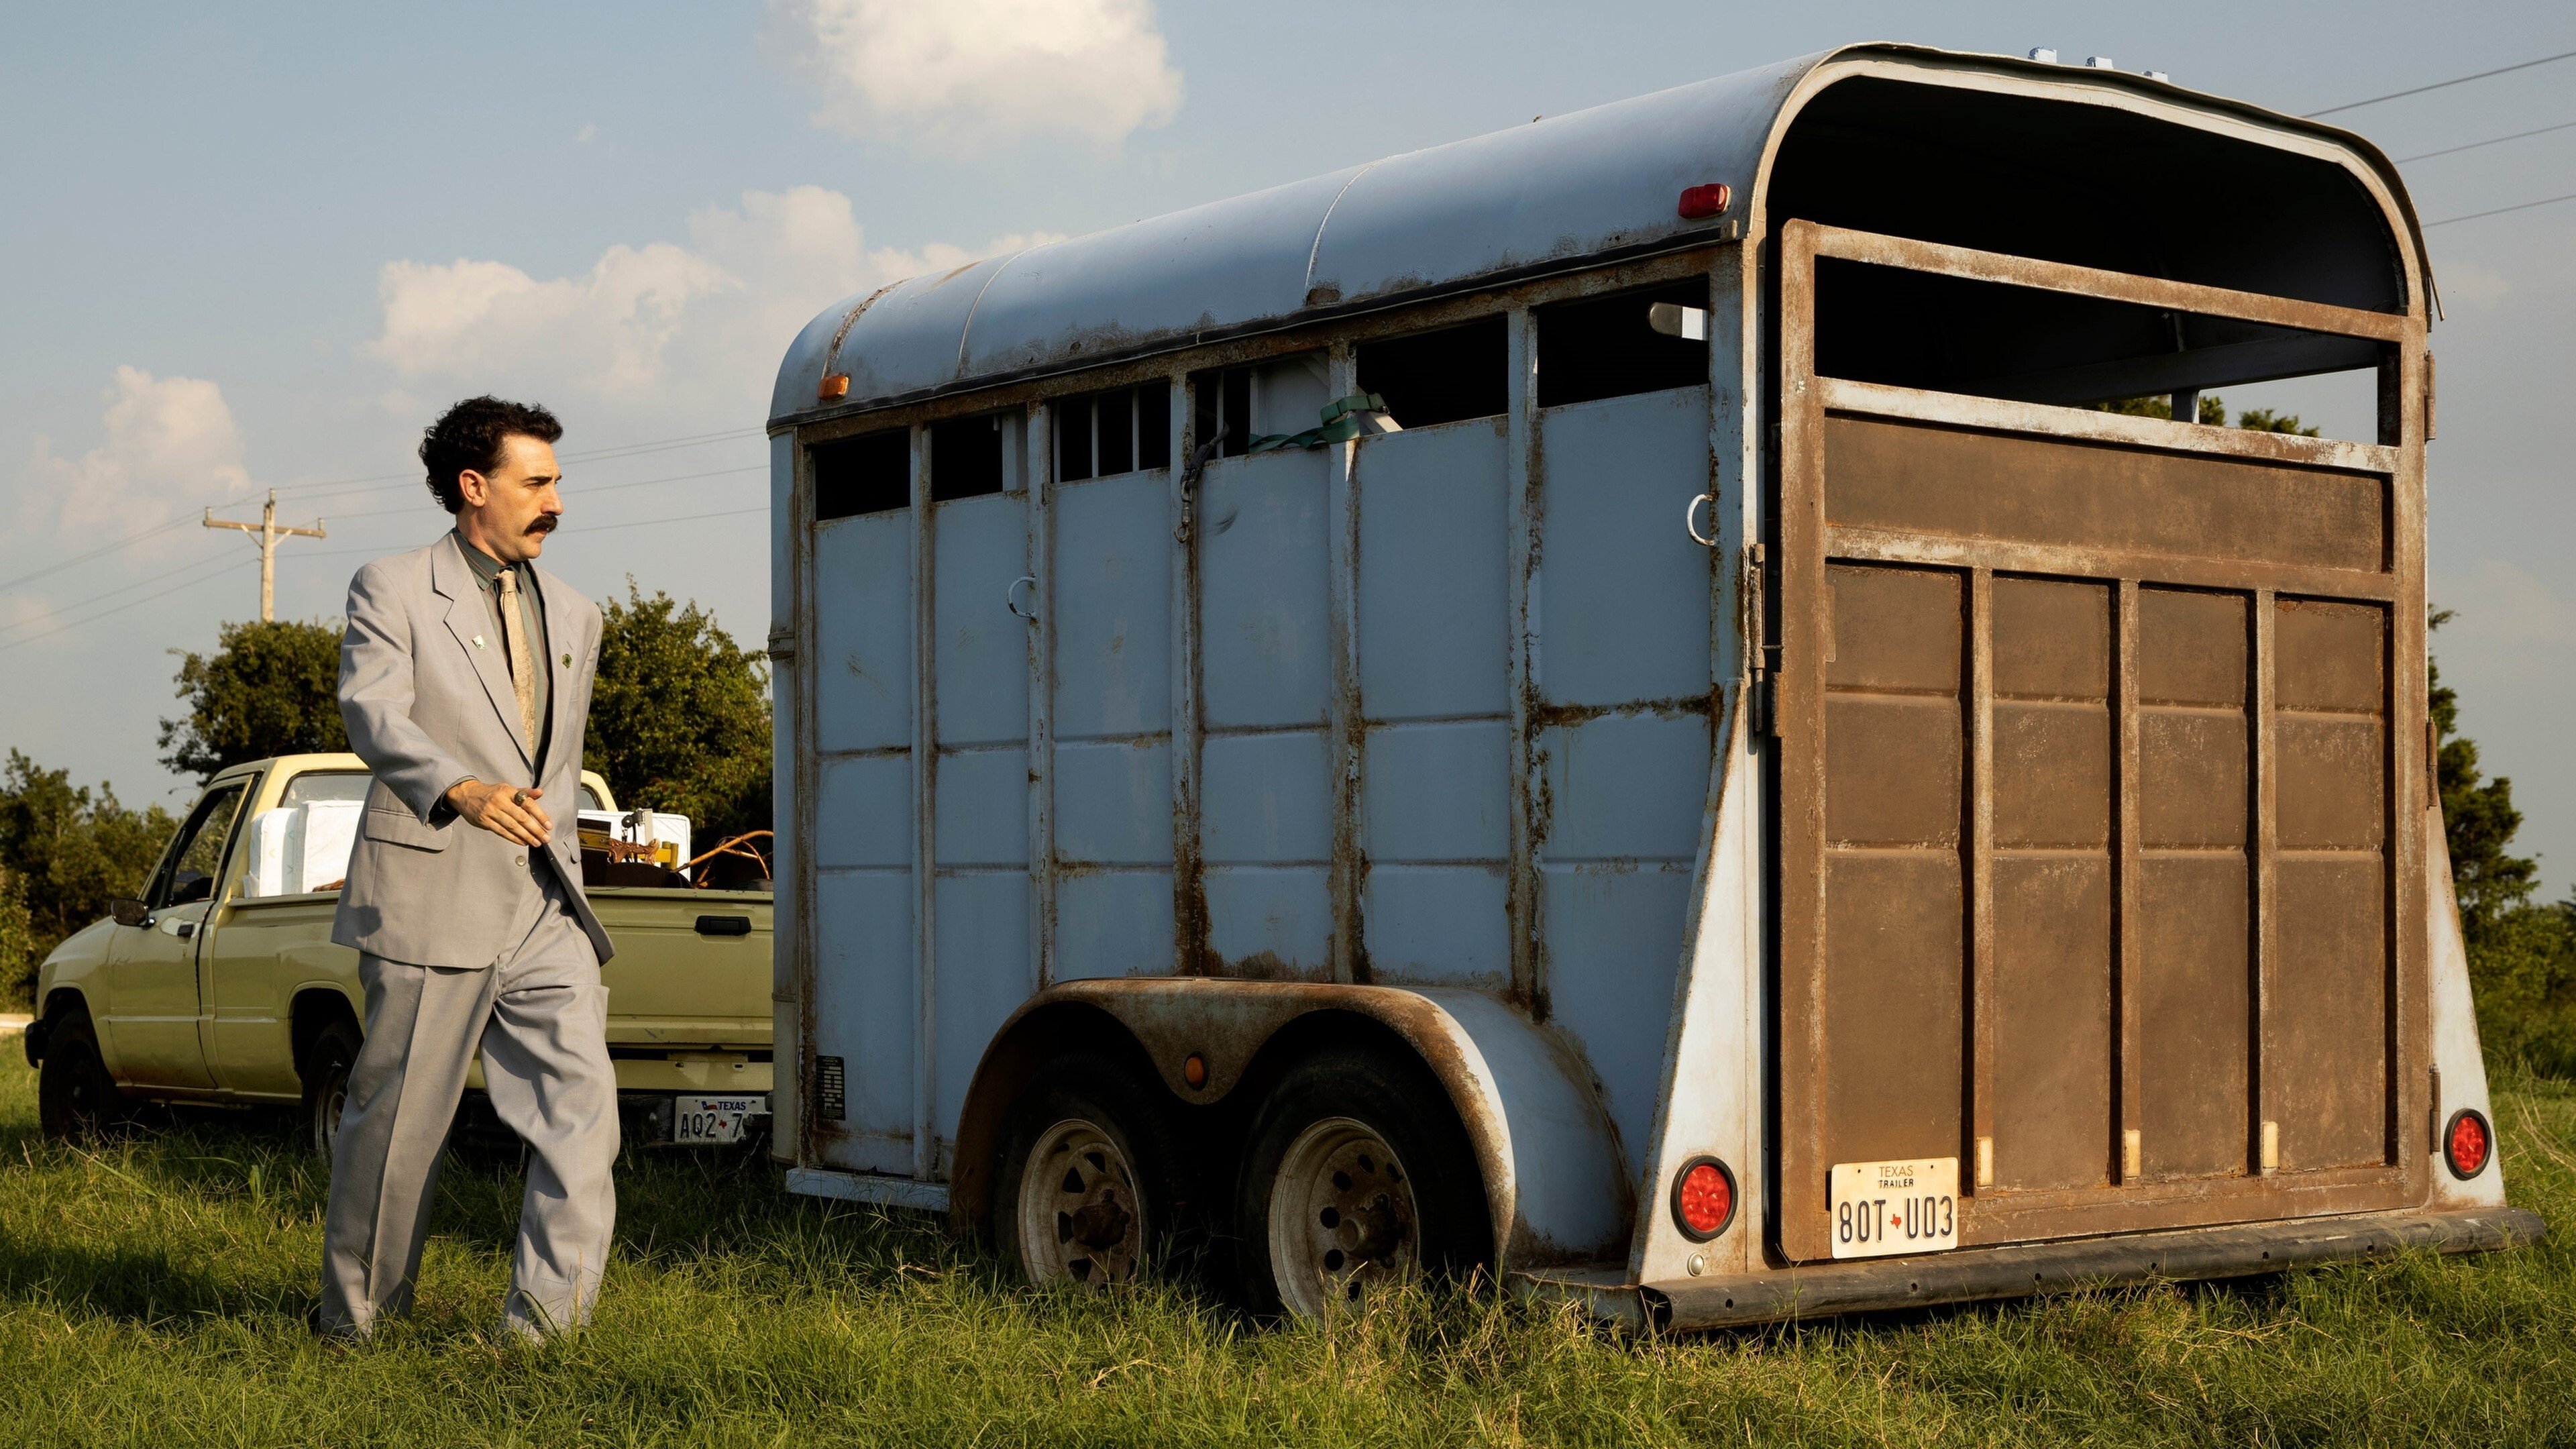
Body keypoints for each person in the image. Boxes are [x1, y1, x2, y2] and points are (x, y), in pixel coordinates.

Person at [316, 395, 619, 1341]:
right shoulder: (394, 586)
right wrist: (460, 789)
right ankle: (357, 1326)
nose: (557, 501)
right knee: (398, 1130)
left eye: (559, 481)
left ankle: (542, 1335)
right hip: (429, 893)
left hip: (545, 909)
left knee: (583, 1118)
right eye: (538, 482)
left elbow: (556, 766)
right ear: (473, 487)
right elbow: (375, 714)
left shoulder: (578, 612)